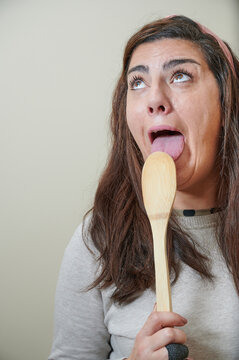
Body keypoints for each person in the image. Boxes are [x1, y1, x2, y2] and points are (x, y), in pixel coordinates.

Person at [48, 15, 239, 360]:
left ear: (226, 102)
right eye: (137, 82)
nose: (154, 99)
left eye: (180, 75)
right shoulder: (97, 240)